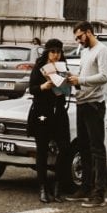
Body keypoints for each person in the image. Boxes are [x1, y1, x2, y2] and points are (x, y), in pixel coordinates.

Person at [66, 21, 107, 207]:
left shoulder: (102, 50)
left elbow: (104, 76)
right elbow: (83, 76)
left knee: (97, 149)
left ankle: (99, 194)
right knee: (83, 147)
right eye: (76, 38)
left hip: (94, 105)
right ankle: (85, 187)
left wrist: (81, 80)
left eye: (79, 37)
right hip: (81, 103)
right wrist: (71, 79)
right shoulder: (84, 52)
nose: (78, 41)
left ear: (89, 32)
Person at [27, 38, 72, 204]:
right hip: (42, 113)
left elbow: (67, 91)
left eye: (59, 52)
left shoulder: (62, 67)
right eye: (53, 52)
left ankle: (58, 187)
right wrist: (42, 87)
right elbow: (31, 88)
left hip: (59, 112)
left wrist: (67, 84)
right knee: (42, 150)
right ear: (47, 52)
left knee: (65, 148)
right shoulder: (39, 68)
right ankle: (43, 188)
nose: (56, 55)